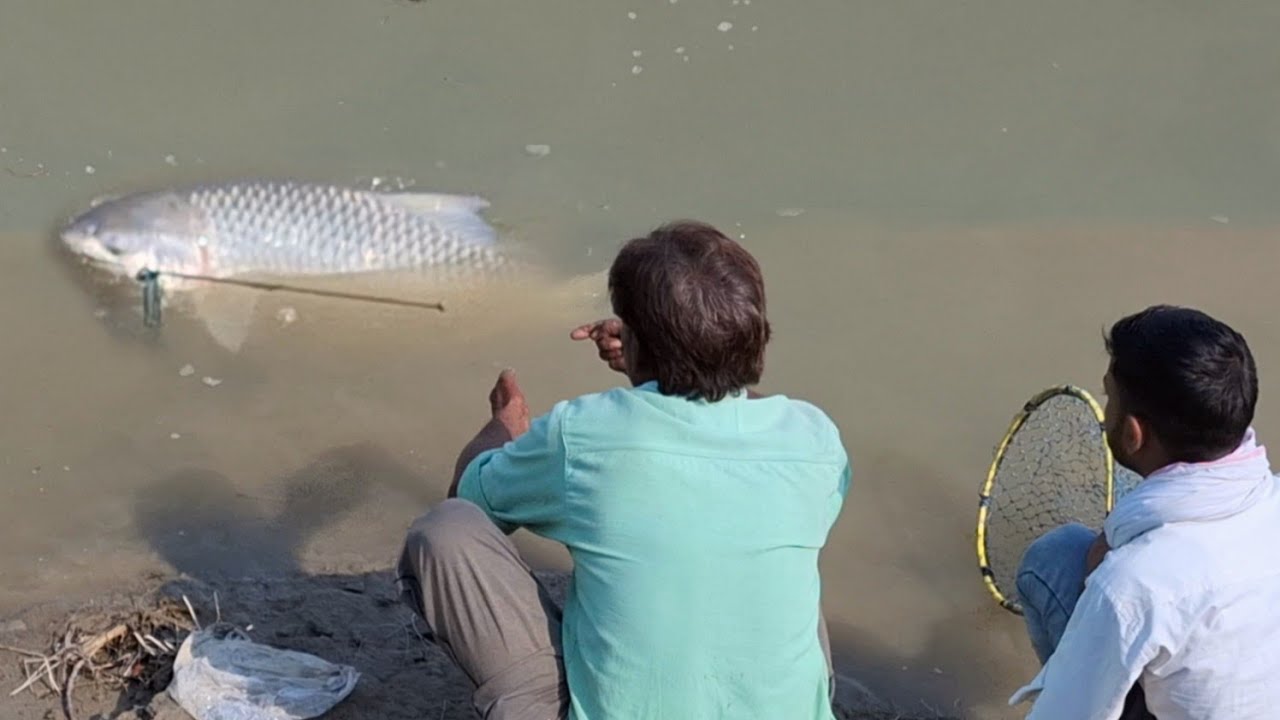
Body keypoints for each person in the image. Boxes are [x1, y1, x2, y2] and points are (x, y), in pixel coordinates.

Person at [396, 221, 852, 720]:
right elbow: (734, 426)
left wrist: (503, 425)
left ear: (634, 341)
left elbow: (469, 497)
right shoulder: (816, 438)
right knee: (775, 545)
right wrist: (666, 364)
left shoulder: (584, 431)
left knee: (446, 529)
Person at [1010, 305, 1280, 719]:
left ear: (1134, 433)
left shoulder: (1132, 585)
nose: (1103, 415)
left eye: (1108, 398)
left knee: (1055, 558)